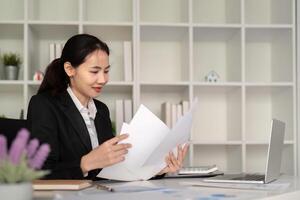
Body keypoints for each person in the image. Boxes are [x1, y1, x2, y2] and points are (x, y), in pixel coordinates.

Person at [27, 34, 189, 180]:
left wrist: (156, 170)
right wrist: (84, 164)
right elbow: (39, 172)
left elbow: (112, 170)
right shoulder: (43, 105)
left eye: (106, 71)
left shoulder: (101, 110)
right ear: (70, 69)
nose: (103, 79)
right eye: (94, 71)